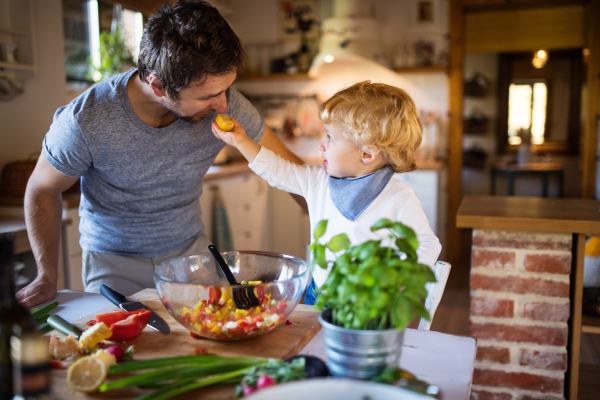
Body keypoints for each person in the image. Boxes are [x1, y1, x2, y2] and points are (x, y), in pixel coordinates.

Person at [17, 0, 305, 308]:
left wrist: (344, 224)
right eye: (208, 96)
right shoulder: (86, 120)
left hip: (193, 259)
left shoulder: (228, 103)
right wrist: (46, 276)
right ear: (158, 85)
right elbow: (42, 190)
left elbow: (291, 172)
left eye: (226, 90)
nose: (223, 105)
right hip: (114, 267)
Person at [212, 80, 442, 305]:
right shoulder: (318, 180)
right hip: (319, 295)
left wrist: (398, 282)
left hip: (368, 305)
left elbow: (428, 243)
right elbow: (275, 169)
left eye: (330, 137)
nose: (321, 144)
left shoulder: (399, 196)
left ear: (367, 154)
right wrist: (241, 141)